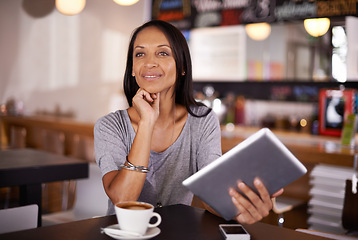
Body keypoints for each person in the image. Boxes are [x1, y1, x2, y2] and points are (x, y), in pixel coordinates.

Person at [94, 20, 283, 224]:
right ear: (132, 68)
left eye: (163, 53)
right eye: (140, 54)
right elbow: (123, 198)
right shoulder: (110, 126)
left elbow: (211, 196)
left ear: (182, 66)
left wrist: (237, 209)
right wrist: (147, 122)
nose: (149, 62)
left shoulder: (202, 122)